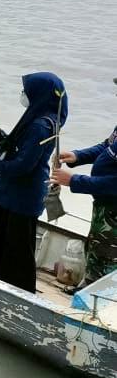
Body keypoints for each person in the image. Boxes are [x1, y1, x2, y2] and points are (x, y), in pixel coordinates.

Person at [0, 73, 67, 292]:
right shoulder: (42, 119)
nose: (23, 95)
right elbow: (25, 151)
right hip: (16, 194)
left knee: (18, 249)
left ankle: (21, 293)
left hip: (23, 195)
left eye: (27, 91)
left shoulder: (41, 125)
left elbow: (24, 165)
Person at [52, 83, 117, 284]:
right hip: (104, 207)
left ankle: (101, 306)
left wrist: (74, 181)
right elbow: (106, 147)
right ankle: (88, 290)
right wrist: (77, 156)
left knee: (108, 260)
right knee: (96, 251)